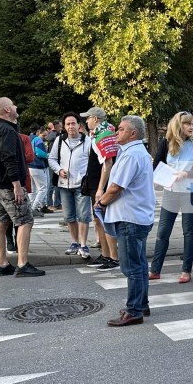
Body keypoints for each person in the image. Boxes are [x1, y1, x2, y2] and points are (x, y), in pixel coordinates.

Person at [97, 116, 156, 326]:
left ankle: (134, 311)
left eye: (121, 130)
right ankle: (141, 305)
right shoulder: (137, 153)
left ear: (133, 134)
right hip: (137, 216)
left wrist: (101, 203)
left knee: (131, 267)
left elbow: (115, 187)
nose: (116, 133)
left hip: (130, 218)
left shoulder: (132, 155)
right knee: (139, 265)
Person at [0, 97, 45, 277]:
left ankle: (3, 264)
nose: (16, 106)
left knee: (1, 222)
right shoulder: (7, 131)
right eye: (12, 104)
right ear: (7, 110)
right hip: (9, 185)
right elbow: (8, 158)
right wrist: (17, 185)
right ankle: (22, 263)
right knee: (25, 221)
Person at [148, 112, 193, 284]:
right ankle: (155, 269)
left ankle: (186, 270)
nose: (191, 127)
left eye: (191, 124)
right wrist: (159, 178)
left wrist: (187, 173)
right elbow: (156, 166)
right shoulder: (165, 143)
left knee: (189, 232)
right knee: (163, 232)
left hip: (190, 191)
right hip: (171, 191)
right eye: (187, 124)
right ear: (177, 126)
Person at [81, 107, 120, 271]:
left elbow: (108, 163)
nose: (86, 121)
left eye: (88, 118)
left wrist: (100, 189)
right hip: (94, 182)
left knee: (105, 220)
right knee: (98, 221)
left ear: (95, 119)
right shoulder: (98, 133)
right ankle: (105, 255)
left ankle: (113, 257)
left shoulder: (104, 135)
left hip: (100, 184)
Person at [49, 113, 91, 259]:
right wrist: (59, 170)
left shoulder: (88, 141)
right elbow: (52, 159)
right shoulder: (60, 141)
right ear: (64, 127)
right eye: (68, 124)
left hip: (81, 185)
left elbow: (93, 162)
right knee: (69, 217)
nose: (71, 126)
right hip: (64, 185)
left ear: (79, 125)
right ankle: (74, 242)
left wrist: (86, 175)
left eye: (73, 123)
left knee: (83, 216)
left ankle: (83, 245)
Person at [28, 125, 50, 216]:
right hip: (38, 166)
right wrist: (47, 155)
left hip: (30, 166)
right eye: (43, 136)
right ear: (38, 132)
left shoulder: (29, 138)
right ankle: (34, 207)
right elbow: (40, 153)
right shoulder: (38, 140)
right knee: (43, 188)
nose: (44, 138)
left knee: (32, 189)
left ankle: (30, 207)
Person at [45, 120, 62, 210]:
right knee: (52, 183)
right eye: (60, 126)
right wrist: (54, 131)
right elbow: (47, 138)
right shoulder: (52, 134)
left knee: (58, 183)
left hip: (59, 161)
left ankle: (57, 203)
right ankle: (49, 203)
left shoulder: (60, 135)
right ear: (56, 126)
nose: (61, 128)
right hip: (52, 161)